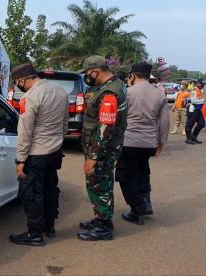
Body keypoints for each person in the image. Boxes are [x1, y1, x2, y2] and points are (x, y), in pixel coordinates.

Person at [9, 63, 69, 247]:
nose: (19, 86)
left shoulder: (30, 97)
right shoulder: (61, 92)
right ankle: (49, 227)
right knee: (50, 189)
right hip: (54, 151)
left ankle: (34, 234)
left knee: (32, 194)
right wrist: (58, 142)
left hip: (36, 153)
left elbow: (25, 132)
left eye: (18, 83)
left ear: (22, 80)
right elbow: (65, 123)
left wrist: (20, 159)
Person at [77, 55, 127, 241]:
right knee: (99, 184)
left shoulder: (109, 93)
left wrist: (93, 157)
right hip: (105, 147)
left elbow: (106, 128)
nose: (86, 77)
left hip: (102, 150)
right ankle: (100, 219)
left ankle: (104, 226)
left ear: (95, 71)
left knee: (100, 186)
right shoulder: (114, 85)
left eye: (87, 73)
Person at [116, 62, 170, 225]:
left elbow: (118, 118)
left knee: (126, 176)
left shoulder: (126, 92)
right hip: (149, 143)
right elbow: (164, 121)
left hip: (129, 141)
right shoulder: (159, 94)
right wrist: (161, 142)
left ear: (132, 75)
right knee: (142, 171)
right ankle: (146, 203)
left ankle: (136, 211)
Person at [185, 79, 206, 144]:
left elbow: (197, 100)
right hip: (192, 109)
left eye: (203, 85)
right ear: (198, 84)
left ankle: (194, 137)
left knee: (201, 123)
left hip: (198, 109)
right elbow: (193, 101)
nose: (202, 86)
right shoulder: (194, 90)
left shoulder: (199, 90)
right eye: (201, 84)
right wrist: (202, 100)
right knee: (190, 124)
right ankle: (188, 139)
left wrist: (201, 100)